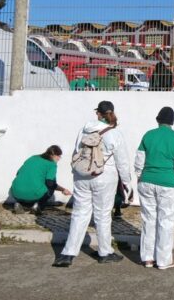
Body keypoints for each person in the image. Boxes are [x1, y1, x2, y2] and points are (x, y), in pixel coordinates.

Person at [53, 101, 131, 267]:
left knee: (79, 214)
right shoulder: (115, 133)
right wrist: (127, 183)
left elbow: (77, 151)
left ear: (98, 113)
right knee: (102, 215)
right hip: (104, 176)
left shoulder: (84, 129)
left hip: (82, 176)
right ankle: (105, 252)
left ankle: (68, 253)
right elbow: (122, 162)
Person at [133, 107, 174, 269]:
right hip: (168, 183)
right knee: (166, 221)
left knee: (148, 219)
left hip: (146, 181)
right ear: (172, 122)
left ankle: (147, 258)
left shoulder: (148, 135)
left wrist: (139, 176)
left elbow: (139, 160)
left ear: (158, 120)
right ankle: (163, 260)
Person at [11, 145, 71, 215]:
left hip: (15, 192)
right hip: (33, 193)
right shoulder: (51, 164)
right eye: (59, 156)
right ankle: (38, 206)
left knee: (33, 186)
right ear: (53, 155)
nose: (59, 158)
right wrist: (63, 190)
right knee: (49, 188)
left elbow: (18, 173)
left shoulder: (32, 158)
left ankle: (20, 204)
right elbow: (50, 183)